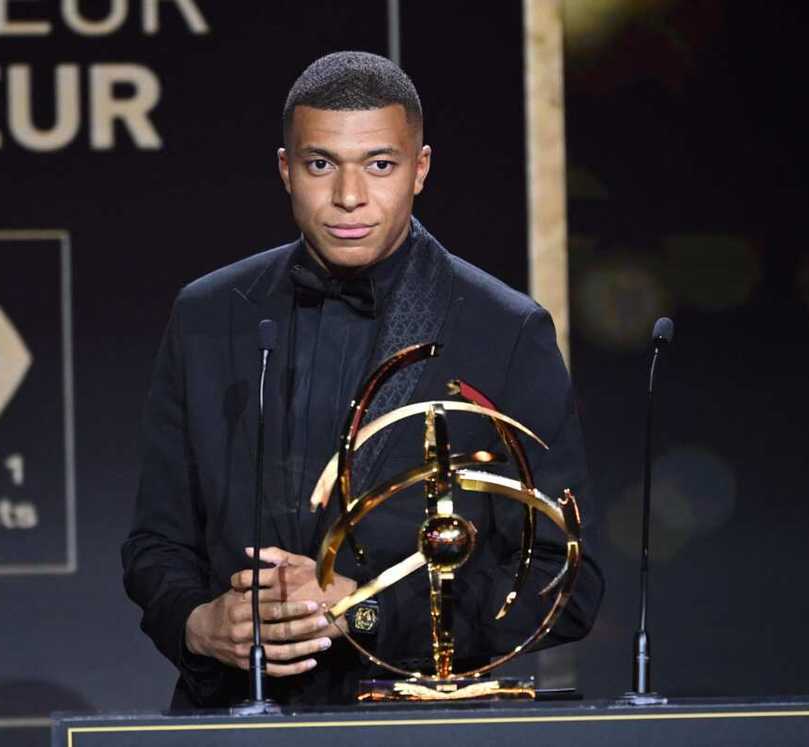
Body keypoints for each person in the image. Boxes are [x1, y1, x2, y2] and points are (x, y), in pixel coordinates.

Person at [121, 51, 604, 709]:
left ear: (420, 170)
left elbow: (564, 580)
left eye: (380, 165)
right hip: (236, 716)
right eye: (321, 165)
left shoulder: (504, 331)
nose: (349, 196)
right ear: (286, 170)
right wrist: (197, 623)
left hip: (424, 723)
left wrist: (367, 609)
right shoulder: (209, 316)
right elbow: (156, 542)